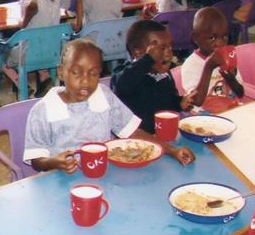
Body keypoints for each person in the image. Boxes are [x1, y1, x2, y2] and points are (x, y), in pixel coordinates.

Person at [24, 39, 195, 172]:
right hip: (61, 177)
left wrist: (172, 151)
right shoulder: (43, 110)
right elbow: (37, 160)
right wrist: (54, 162)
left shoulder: (103, 96)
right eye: (76, 73)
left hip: (104, 172)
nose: (85, 81)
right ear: (61, 72)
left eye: (93, 74)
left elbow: (133, 132)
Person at [112, 20, 197, 134]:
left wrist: (180, 102)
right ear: (138, 52)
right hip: (137, 137)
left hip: (163, 133)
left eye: (170, 46)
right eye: (161, 48)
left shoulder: (163, 74)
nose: (169, 53)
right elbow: (121, 85)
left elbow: (169, 101)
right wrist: (148, 60)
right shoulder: (125, 73)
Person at [1, 0, 63, 97]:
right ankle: (45, 77)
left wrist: (23, 21)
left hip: (28, 55)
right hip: (53, 52)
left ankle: (22, 85)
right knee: (39, 42)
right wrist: (78, 22)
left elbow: (32, 5)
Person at [182, 7, 244, 113]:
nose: (220, 43)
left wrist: (231, 79)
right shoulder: (191, 64)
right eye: (212, 38)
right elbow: (196, 101)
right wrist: (209, 67)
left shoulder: (228, 57)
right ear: (195, 38)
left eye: (224, 37)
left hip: (231, 109)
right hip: (204, 115)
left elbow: (240, 93)